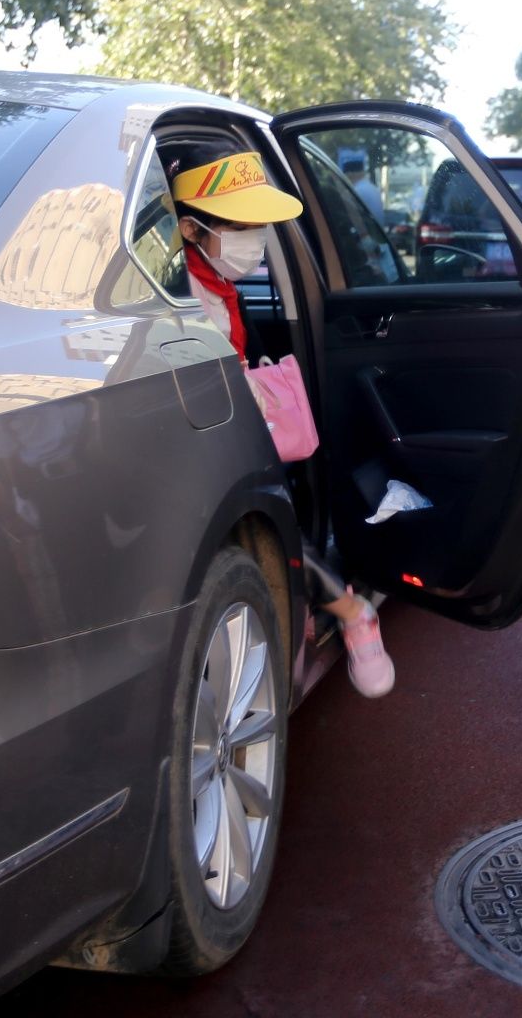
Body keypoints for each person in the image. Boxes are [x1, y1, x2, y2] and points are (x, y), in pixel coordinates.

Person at [167, 140, 396, 698]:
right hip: (202, 435)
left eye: (257, 225)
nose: (255, 241)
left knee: (284, 509)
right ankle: (352, 610)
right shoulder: (177, 293)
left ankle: (339, 608)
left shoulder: (217, 282)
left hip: (238, 422)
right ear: (192, 230)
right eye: (241, 226)